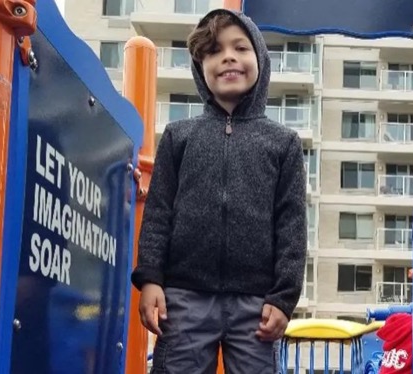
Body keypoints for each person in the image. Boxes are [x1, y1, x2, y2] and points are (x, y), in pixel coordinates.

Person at [130, 8, 307, 374]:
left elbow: (291, 225)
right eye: (214, 51)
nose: (228, 56)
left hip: (256, 304)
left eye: (240, 48)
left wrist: (284, 297)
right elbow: (159, 212)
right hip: (184, 297)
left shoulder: (283, 143)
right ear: (200, 67)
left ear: (260, 58)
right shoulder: (179, 137)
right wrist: (150, 279)